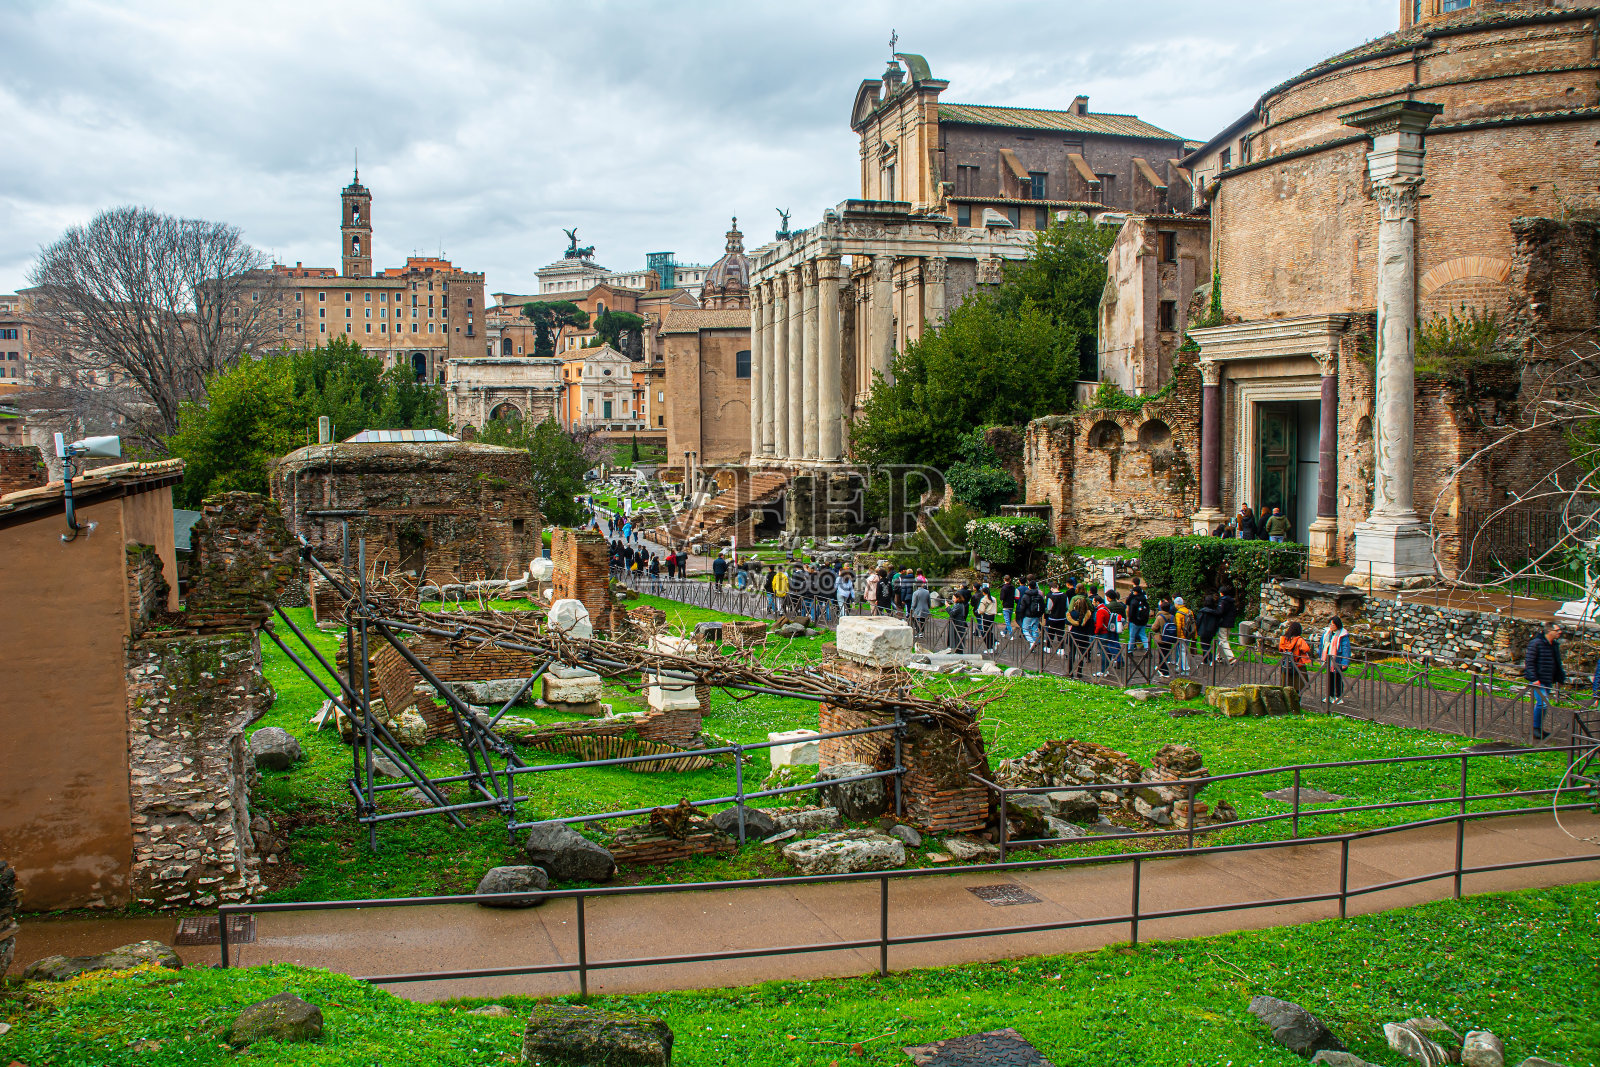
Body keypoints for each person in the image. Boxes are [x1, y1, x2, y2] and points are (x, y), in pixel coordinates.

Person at [1523, 623, 1564, 740]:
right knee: (1543, 703)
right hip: (1538, 680)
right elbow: (1529, 661)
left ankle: (1538, 728)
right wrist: (1534, 678)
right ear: (1550, 631)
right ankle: (1535, 728)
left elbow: (1556, 662)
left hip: (1547, 679)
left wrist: (1559, 677)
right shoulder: (1536, 643)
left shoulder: (1554, 645)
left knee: (1542, 704)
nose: (1559, 632)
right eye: (1557, 630)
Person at [1320, 615, 1352, 704]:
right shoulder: (1327, 634)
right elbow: (1322, 645)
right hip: (1328, 660)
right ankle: (1330, 695)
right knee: (1329, 678)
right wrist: (1321, 657)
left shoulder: (1343, 635)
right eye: (1330, 624)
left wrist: (1345, 662)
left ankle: (1338, 696)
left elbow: (1346, 649)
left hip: (1337, 660)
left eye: (1333, 625)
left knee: (1337, 679)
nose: (1331, 626)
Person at [1278, 620, 1313, 691]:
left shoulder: (1283, 639)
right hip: (1297, 664)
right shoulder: (1299, 640)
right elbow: (1306, 649)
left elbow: (1280, 649)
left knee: (1286, 684)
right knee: (1298, 685)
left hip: (1286, 664)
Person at [1196, 593, 1223, 665]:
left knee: (1204, 646)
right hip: (1211, 631)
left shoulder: (1202, 611)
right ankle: (1205, 660)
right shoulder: (1215, 612)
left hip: (1203, 630)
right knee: (1208, 644)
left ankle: (1211, 659)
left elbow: (1198, 621)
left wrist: (1197, 629)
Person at [1215, 584, 1239, 663]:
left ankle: (1230, 657)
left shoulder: (1222, 601)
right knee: (1221, 640)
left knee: (1223, 640)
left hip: (1223, 623)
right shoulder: (1231, 601)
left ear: (1221, 593)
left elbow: (1220, 612)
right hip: (1230, 623)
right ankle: (1218, 657)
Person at [1153, 598, 1177, 677]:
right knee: (1166, 654)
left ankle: (1164, 671)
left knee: (1161, 654)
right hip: (1170, 638)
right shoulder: (1172, 617)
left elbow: (1154, 628)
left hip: (1161, 638)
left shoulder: (1160, 617)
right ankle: (1162, 668)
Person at [1125, 579, 1151, 651]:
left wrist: (1130, 620)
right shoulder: (1144, 600)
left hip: (1134, 622)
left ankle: (1130, 650)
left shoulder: (1134, 601)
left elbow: (1131, 612)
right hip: (1143, 621)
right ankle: (1147, 649)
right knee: (1143, 635)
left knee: (1132, 636)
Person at [1019, 581, 1045, 647]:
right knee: (1035, 629)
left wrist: (1021, 615)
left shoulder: (1025, 596)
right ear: (1036, 587)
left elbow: (1022, 607)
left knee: (1025, 629)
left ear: (1029, 587)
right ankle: (1035, 642)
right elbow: (1042, 606)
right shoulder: (1039, 595)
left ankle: (1031, 642)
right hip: (1036, 615)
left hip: (1028, 615)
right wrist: (1040, 614)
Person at [1172, 596, 1194, 675]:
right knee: (1184, 651)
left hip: (1182, 636)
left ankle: (1186, 669)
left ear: (1177, 604)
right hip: (1189, 634)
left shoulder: (1178, 613)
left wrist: (1177, 637)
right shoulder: (1189, 611)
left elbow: (1178, 626)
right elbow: (1193, 624)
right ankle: (1179, 666)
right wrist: (1194, 635)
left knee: (1182, 652)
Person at [977, 584, 999, 650]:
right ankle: (994, 642)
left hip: (986, 616)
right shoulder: (994, 599)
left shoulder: (984, 599)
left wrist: (978, 611)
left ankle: (990, 646)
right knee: (989, 630)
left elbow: (981, 610)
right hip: (992, 615)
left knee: (985, 632)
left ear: (983, 593)